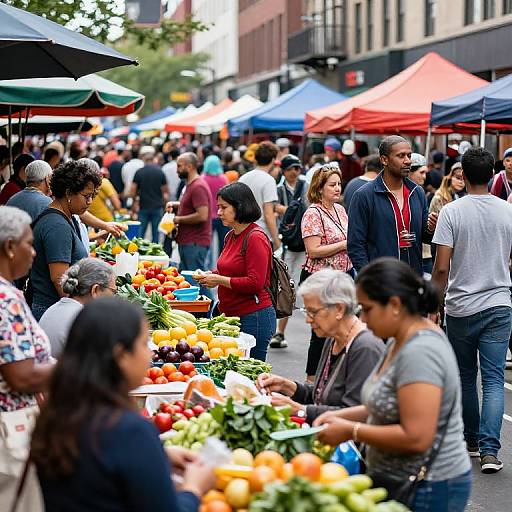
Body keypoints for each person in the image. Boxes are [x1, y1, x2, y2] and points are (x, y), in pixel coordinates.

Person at [315, 258, 471, 512]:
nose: (362, 318)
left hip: (428, 486)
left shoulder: (421, 351)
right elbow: (386, 404)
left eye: (367, 309)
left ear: (395, 305)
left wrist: (351, 430)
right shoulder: (398, 340)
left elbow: (417, 436)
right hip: (398, 480)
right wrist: (337, 416)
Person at [31, 297, 214, 511]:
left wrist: (158, 455)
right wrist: (194, 489)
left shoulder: (54, 416)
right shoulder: (130, 431)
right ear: (121, 355)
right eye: (144, 343)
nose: (150, 355)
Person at [432, 147, 512, 474]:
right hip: (499, 304)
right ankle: (491, 452)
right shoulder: (507, 211)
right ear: (493, 173)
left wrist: (433, 305)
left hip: (461, 306)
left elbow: (440, 268)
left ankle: (472, 441)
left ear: (462, 175)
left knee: (466, 377)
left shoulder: (452, 212)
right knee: (494, 379)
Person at [257, 269, 384, 423]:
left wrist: (300, 410)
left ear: (339, 309)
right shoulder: (333, 338)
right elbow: (322, 396)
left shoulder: (365, 347)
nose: (308, 320)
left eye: (312, 312)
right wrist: (286, 386)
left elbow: (354, 413)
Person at [0, 206, 53, 506]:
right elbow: (20, 376)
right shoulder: (6, 298)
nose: (33, 253)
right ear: (9, 247)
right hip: (9, 431)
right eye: (29, 244)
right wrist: (81, 364)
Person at [195, 183, 275, 361]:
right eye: (219, 208)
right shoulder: (230, 235)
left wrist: (219, 279)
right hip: (230, 315)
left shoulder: (255, 238)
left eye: (224, 207)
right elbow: (230, 270)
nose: (219, 212)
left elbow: (255, 283)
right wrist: (211, 274)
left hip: (253, 317)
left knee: (250, 376)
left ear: (239, 207)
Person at [347, 135, 437, 276]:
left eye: (409, 155)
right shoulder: (364, 195)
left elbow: (425, 237)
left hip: (412, 278)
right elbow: (355, 245)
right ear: (384, 160)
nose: (407, 161)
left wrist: (430, 228)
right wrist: (370, 279)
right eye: (401, 156)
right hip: (381, 280)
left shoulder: (417, 192)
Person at [30, 160, 101, 320]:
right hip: (53, 310)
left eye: (92, 196)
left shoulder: (64, 218)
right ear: (68, 193)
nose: (89, 202)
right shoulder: (57, 225)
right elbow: (60, 280)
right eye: (86, 196)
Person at [301, 162, 352, 381]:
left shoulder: (340, 209)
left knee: (341, 330)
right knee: (320, 333)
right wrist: (343, 245)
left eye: (339, 184)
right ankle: (311, 379)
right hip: (320, 278)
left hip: (341, 276)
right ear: (319, 188)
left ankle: (333, 376)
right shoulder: (313, 213)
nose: (338, 188)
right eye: (332, 185)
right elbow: (313, 251)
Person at [39, 258, 116, 358]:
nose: (114, 298)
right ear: (95, 290)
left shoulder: (54, 308)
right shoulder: (85, 320)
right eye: (113, 292)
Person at [270, 155, 308, 349]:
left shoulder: (305, 186)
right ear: (284, 171)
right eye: (291, 168)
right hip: (286, 243)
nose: (295, 172)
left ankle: (281, 331)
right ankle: (279, 331)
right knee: (286, 284)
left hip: (303, 242)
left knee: (295, 284)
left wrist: (286, 210)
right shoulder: (278, 189)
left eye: (297, 168)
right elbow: (273, 208)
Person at [171, 153, 212, 283]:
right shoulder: (190, 184)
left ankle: (211, 304)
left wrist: (178, 220)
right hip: (188, 241)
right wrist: (175, 205)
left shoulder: (198, 186)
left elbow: (202, 215)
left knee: (198, 281)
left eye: (179, 166)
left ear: (189, 167)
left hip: (194, 242)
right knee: (190, 281)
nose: (177, 169)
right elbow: (190, 205)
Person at [239, 141, 281, 250]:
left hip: (242, 231)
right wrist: (276, 240)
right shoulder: (268, 180)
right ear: (272, 160)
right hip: (261, 233)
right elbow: (268, 214)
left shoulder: (243, 178)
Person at [130, 147, 168, 243]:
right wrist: (165, 206)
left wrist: (135, 202)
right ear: (153, 160)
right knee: (156, 234)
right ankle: (154, 254)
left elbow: (133, 190)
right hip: (157, 206)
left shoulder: (139, 172)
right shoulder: (160, 172)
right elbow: (165, 191)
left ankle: (138, 252)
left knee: (140, 234)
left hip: (143, 206)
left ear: (144, 160)